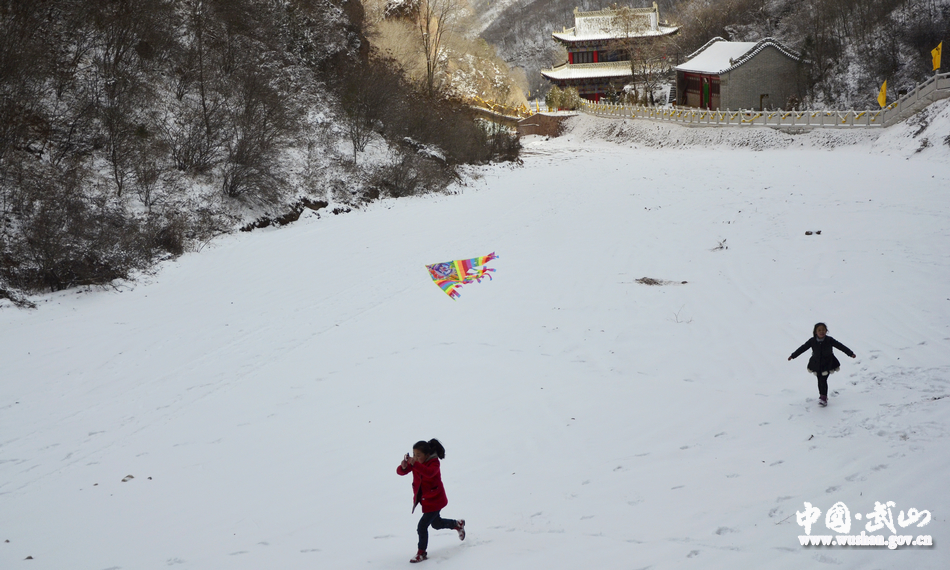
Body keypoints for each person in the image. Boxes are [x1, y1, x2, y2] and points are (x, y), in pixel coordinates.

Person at [396, 438, 465, 563]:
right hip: (426, 500)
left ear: (427, 455)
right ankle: (457, 524)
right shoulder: (417, 463)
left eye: (418, 455)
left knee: (422, 526)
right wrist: (403, 466)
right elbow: (401, 472)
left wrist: (414, 464)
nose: (415, 458)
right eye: (414, 455)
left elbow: (429, 473)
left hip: (436, 500)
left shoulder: (434, 463)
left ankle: (421, 553)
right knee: (436, 524)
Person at [788, 322, 856, 406]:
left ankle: (823, 398)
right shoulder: (812, 341)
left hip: (828, 363)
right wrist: (793, 355)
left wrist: (850, 353)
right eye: (819, 330)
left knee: (823, 380)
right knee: (819, 379)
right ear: (815, 332)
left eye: (823, 330)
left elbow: (840, 346)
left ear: (826, 331)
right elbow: (803, 348)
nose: (821, 332)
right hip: (816, 363)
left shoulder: (829, 340)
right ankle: (822, 395)